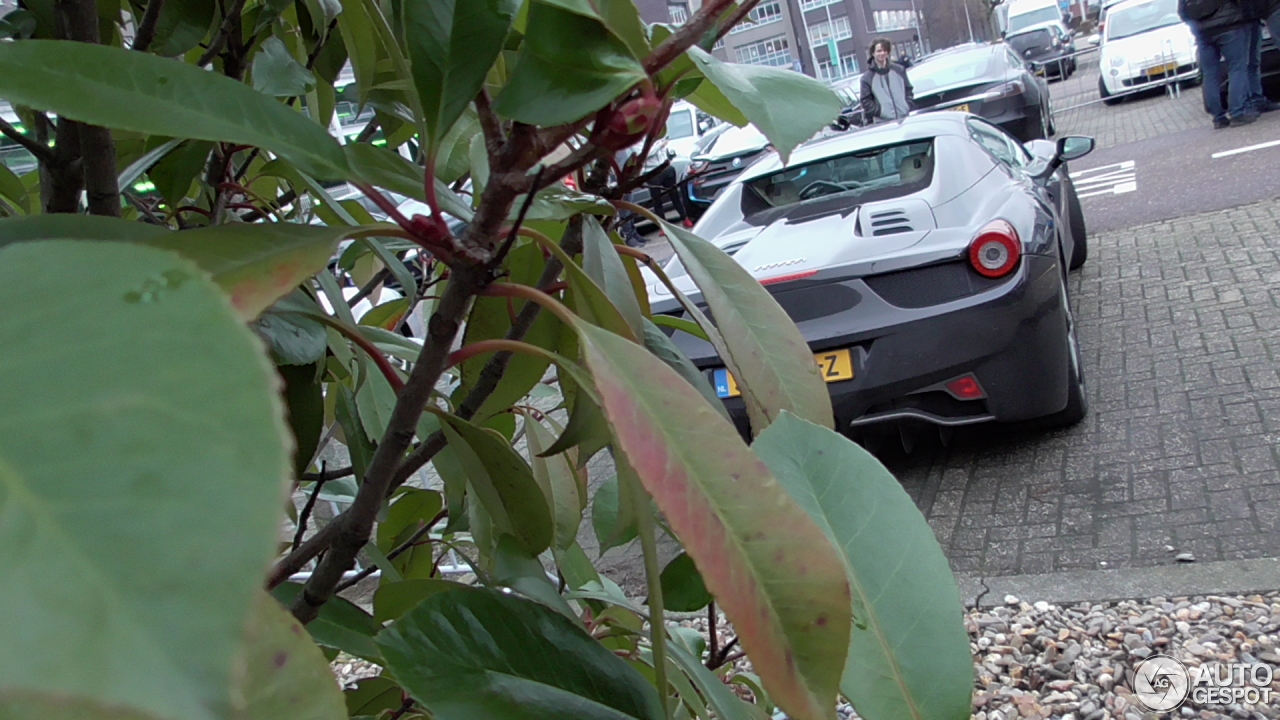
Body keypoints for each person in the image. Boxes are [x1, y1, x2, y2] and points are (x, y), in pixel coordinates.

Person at [1179, 0, 1257, 128]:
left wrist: (1198, 25)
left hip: (1203, 34)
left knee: (1210, 75)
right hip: (1230, 27)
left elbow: (1182, 13)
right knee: (1237, 68)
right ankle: (1237, 112)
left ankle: (1218, 118)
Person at [859, 38, 915, 124]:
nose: (882, 53)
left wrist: (906, 105)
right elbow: (866, 102)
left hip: (905, 120)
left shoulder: (899, 70)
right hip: (883, 124)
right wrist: (881, 112)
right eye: (879, 51)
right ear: (873, 53)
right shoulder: (867, 78)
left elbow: (908, 90)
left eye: (885, 50)